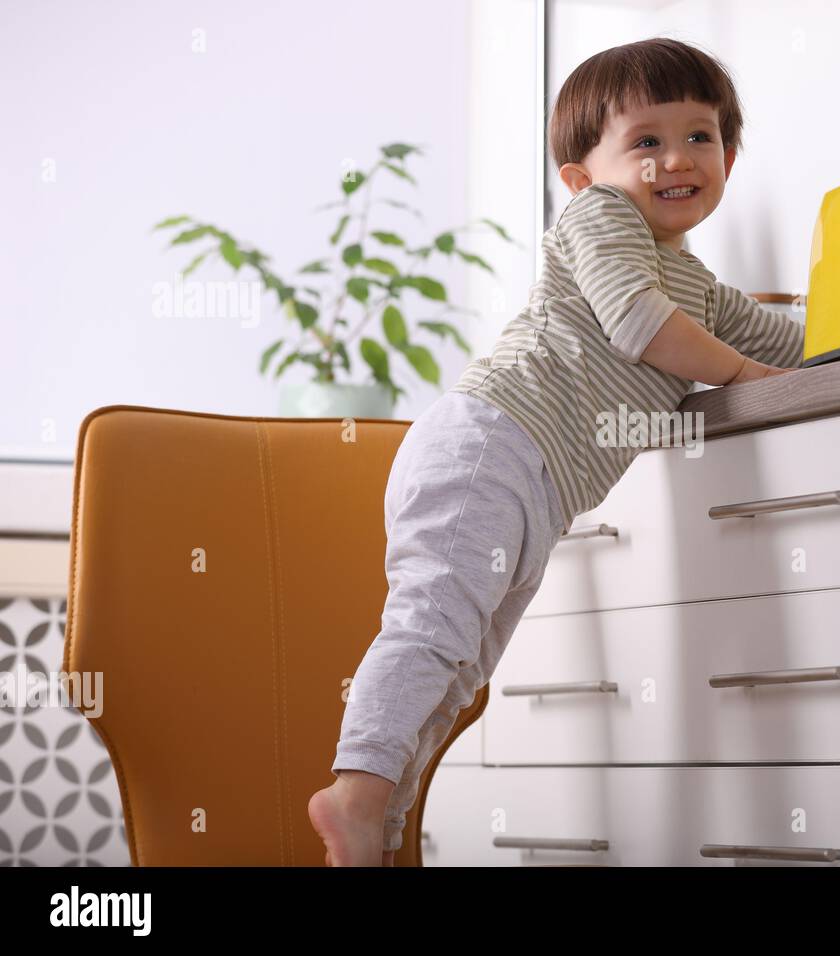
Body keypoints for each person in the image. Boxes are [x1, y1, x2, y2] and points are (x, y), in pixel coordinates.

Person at [308, 36, 804, 866]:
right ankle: (354, 794)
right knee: (433, 624)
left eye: (701, 136)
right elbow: (640, 325)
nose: (676, 158)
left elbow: (787, 342)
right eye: (645, 141)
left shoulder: (697, 284)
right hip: (491, 441)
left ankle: (376, 832)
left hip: (536, 482)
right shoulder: (598, 217)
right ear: (580, 175)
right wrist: (744, 368)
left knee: (461, 667)